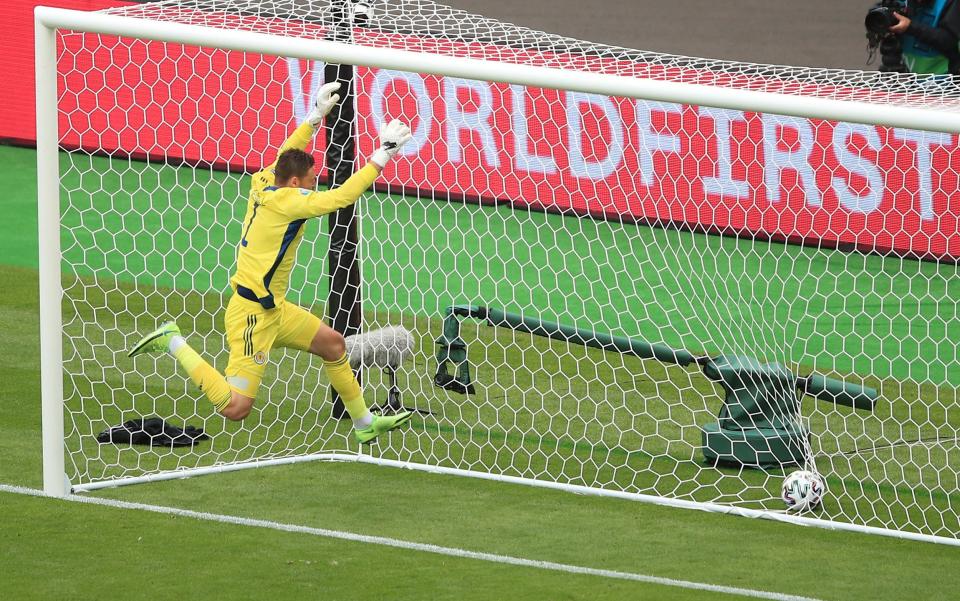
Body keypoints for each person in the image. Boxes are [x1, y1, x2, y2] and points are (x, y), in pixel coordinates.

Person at [128, 82, 414, 444]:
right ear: (294, 183)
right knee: (236, 408)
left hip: (275, 309)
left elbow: (287, 152)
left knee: (334, 346)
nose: (314, 186)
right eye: (311, 182)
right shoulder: (292, 202)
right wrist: (384, 152)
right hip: (252, 316)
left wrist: (315, 118)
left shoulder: (264, 180)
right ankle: (172, 342)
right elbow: (343, 196)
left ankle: (363, 423)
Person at [891, 0, 960, 74]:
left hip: (942, 77)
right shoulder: (904, 2)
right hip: (910, 76)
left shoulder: (951, 3)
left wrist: (910, 27)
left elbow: (948, 40)